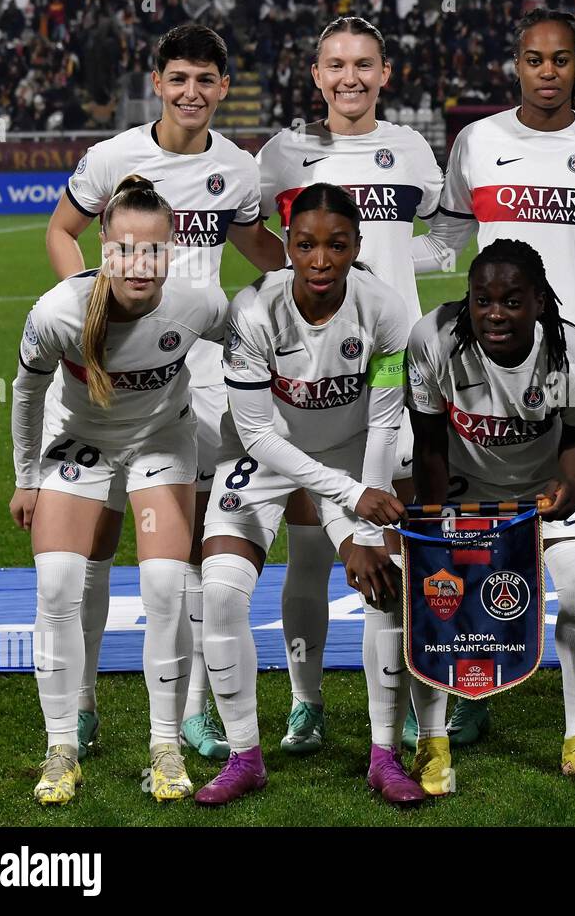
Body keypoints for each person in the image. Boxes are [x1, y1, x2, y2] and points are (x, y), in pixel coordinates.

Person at [44, 23, 287, 764]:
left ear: (223, 87)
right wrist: (89, 316)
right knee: (95, 539)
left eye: (206, 80)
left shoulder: (238, 170)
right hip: (106, 370)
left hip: (200, 373)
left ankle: (190, 713)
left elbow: (259, 251)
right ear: (157, 81)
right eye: (179, 78)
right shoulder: (113, 157)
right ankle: (80, 704)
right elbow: (62, 230)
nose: (192, 93)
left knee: (180, 552)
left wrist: (327, 269)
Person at [411, 8, 575, 744]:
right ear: (516, 63)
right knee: (486, 538)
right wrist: (370, 254)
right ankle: (477, 683)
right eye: (533, 58)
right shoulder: (477, 142)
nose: (548, 71)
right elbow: (448, 242)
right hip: (488, 364)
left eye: (562, 59)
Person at [255, 15, 445, 757]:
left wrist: (395, 274)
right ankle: (307, 704)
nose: (350, 77)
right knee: (308, 549)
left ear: (385, 72)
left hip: (395, 369)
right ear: (316, 75)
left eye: (364, 64)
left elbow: (445, 235)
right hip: (310, 379)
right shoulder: (282, 155)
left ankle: (390, 706)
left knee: (389, 542)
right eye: (335, 64)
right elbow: (259, 236)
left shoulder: (412, 150)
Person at [193, 184, 417, 805]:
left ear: (356, 247)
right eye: (306, 245)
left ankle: (384, 755)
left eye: (336, 245)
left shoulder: (386, 311)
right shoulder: (253, 312)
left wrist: (365, 527)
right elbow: (258, 433)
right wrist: (350, 493)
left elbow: (385, 422)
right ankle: (244, 757)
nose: (320, 260)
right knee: (220, 591)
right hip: (262, 457)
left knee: (386, 586)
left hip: (351, 450)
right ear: (285, 245)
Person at [13, 176, 227, 805]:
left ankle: (164, 746)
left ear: (173, 249)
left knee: (164, 586)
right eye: (125, 248)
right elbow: (26, 394)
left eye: (153, 249)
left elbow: (248, 350)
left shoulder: (197, 303)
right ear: (103, 245)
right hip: (81, 444)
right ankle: (62, 749)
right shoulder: (59, 310)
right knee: (56, 583)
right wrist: (27, 476)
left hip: (162, 443)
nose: (140, 263)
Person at [407, 238, 575, 791]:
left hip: (543, 492)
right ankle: (432, 741)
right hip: (464, 491)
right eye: (482, 300)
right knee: (439, 601)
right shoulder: (432, 341)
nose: (495, 314)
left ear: (540, 302)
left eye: (511, 300)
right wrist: (439, 527)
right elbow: (428, 442)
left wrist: (571, 489)